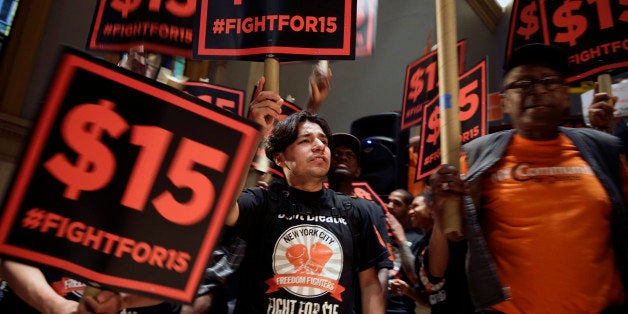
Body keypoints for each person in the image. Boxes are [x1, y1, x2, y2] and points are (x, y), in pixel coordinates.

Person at [427, 43, 628, 313]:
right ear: (505, 101)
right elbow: (438, 266)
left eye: (549, 81)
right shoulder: (475, 159)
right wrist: (441, 214)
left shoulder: (606, 152)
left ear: (566, 95)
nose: (537, 89)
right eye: (523, 83)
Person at [224, 82, 390, 313]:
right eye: (305, 141)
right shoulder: (261, 202)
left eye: (323, 140)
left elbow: (370, 284)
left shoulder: (357, 210)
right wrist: (253, 135)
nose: (320, 146)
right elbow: (222, 208)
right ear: (280, 159)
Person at [327, 132, 394, 311]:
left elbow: (383, 265)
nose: (342, 157)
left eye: (350, 155)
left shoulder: (370, 209)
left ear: (358, 171)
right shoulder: (311, 201)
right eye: (336, 153)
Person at [383, 189, 422, 314]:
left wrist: (401, 239)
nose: (389, 206)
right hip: (375, 303)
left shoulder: (417, 238)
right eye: (388, 201)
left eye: (396, 203)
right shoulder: (379, 234)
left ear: (408, 209)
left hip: (400, 307)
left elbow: (414, 275)